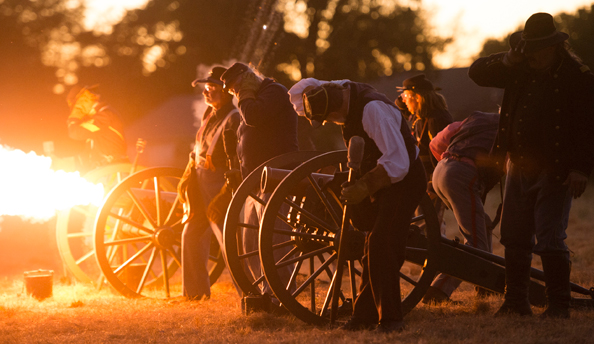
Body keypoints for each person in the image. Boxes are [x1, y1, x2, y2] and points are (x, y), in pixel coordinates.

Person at [469, 12, 594, 318]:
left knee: (550, 237)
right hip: (518, 164)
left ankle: (559, 306)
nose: (533, 54)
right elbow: (476, 73)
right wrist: (508, 60)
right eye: (529, 49)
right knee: (514, 235)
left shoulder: (578, 76)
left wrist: (581, 168)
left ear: (553, 46)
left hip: (557, 167)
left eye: (538, 48)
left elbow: (591, 127)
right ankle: (516, 302)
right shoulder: (519, 68)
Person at [302, 81, 426, 334]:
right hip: (385, 182)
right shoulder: (350, 103)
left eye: (328, 118)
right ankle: (365, 315)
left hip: (404, 181)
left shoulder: (372, 111)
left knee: (383, 245)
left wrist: (364, 186)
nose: (330, 122)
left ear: (336, 109)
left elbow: (399, 161)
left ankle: (391, 320)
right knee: (372, 248)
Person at [219, 62, 299, 305]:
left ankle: (282, 295)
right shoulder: (252, 98)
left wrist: (245, 93)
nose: (234, 94)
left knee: (275, 240)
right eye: (233, 91)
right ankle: (266, 293)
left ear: (247, 79)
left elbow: (253, 117)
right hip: (254, 181)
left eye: (235, 88)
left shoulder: (273, 92)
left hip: (275, 177)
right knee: (251, 243)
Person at [422, 111, 501, 304]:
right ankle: (438, 290)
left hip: (441, 171)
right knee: (476, 245)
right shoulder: (508, 128)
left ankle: (485, 284)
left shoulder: (475, 118)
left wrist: (446, 163)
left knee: (483, 224)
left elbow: (436, 143)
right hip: (461, 174)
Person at [177, 66, 241, 300]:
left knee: (227, 240)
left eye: (212, 88)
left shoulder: (234, 117)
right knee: (190, 235)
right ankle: (194, 294)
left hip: (220, 181)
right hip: (200, 178)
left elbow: (236, 156)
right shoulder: (208, 114)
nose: (206, 92)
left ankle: (248, 293)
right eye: (206, 88)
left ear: (225, 92)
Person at [396, 74, 453, 176]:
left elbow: (442, 156)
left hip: (435, 178)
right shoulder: (418, 117)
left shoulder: (436, 120)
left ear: (417, 97)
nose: (404, 100)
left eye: (405, 96)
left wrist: (435, 180)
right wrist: (406, 93)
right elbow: (399, 106)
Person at [66, 85, 127, 173]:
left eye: (77, 106)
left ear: (84, 100)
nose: (76, 109)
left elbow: (75, 132)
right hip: (106, 170)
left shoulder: (104, 116)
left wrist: (74, 117)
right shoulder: (99, 116)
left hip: (113, 171)